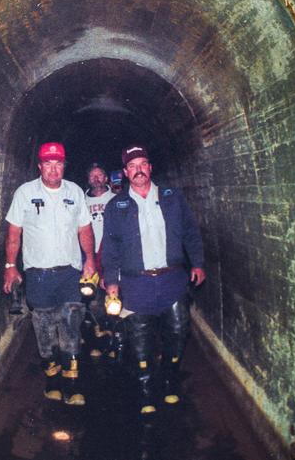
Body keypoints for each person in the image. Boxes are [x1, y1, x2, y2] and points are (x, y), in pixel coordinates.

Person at [101, 145, 207, 414]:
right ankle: (147, 388)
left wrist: (197, 263)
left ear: (150, 168)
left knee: (178, 331)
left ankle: (170, 378)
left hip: (172, 280)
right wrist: (111, 280)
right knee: (139, 340)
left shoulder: (172, 197)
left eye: (143, 164)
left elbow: (190, 232)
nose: (138, 170)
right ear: (126, 173)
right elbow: (111, 246)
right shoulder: (117, 206)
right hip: (136, 285)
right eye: (132, 166)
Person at [3, 142, 97, 406]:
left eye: (58, 164)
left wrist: (89, 259)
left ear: (64, 165)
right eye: (48, 163)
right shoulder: (25, 193)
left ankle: (73, 383)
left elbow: (84, 230)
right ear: (40, 166)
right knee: (44, 328)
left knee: (71, 325)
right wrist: (11, 267)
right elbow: (14, 233)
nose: (54, 169)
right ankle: (52, 381)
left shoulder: (75, 192)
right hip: (39, 275)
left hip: (69, 273)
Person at [83, 164, 118, 358]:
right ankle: (98, 340)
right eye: (92, 176)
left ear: (106, 178)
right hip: (90, 256)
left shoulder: (115, 199)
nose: (96, 179)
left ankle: (114, 341)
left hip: (111, 255)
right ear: (88, 179)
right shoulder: (82, 200)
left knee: (114, 298)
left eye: (100, 175)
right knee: (93, 300)